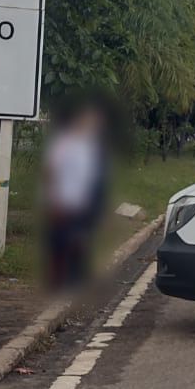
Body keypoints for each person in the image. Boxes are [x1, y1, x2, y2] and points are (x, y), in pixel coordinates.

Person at [42, 98, 111, 291]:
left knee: (81, 240)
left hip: (84, 203)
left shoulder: (91, 148)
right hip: (63, 201)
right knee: (61, 242)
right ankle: (58, 281)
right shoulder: (65, 143)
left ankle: (77, 278)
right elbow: (51, 170)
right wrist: (53, 198)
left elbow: (94, 179)